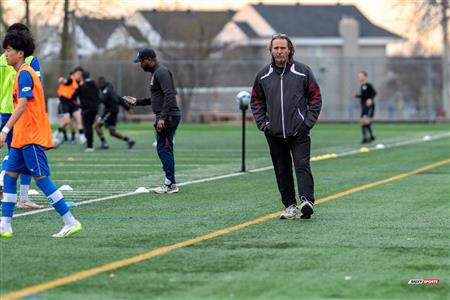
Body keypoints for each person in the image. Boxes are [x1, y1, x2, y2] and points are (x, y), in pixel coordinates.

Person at [0, 29, 82, 238]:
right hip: (20, 138)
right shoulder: (20, 72)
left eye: (9, 50)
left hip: (30, 136)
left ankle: (70, 221)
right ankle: (5, 225)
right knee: (9, 178)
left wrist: (4, 129)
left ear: (20, 53)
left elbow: (22, 106)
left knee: (41, 178)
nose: (6, 54)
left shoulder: (25, 73)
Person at [250, 33, 322, 220]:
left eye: (283, 48)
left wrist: (307, 123)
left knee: (302, 165)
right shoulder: (263, 75)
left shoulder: (303, 71)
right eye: (276, 48)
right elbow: (256, 101)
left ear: (290, 50)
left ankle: (307, 201)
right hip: (273, 133)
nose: (279, 51)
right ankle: (290, 206)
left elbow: (315, 97)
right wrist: (263, 124)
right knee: (282, 169)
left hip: (299, 131)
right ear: (271, 51)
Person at [123, 48, 181, 194]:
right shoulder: (156, 73)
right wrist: (137, 102)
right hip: (165, 115)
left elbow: (169, 94)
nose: (140, 65)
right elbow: (156, 99)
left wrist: (162, 117)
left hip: (168, 115)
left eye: (141, 62)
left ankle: (170, 183)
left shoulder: (161, 72)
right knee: (165, 148)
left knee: (163, 148)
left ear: (149, 59)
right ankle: (171, 182)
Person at [0, 23, 42, 209]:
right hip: (21, 113)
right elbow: (36, 86)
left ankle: (20, 199)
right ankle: (20, 195)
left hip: (4, 112)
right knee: (19, 154)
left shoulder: (2, 59)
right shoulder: (31, 60)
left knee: (16, 153)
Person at [95, 77, 135, 149]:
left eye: (99, 83)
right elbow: (120, 100)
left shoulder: (106, 90)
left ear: (102, 83)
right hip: (114, 111)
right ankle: (129, 140)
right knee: (112, 132)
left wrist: (94, 101)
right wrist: (128, 108)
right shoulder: (112, 91)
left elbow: (102, 99)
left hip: (110, 111)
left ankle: (104, 143)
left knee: (97, 126)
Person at [54, 67, 86, 145]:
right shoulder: (71, 80)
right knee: (66, 121)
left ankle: (82, 136)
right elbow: (65, 81)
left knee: (78, 116)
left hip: (73, 102)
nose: (79, 75)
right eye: (77, 74)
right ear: (74, 74)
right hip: (65, 102)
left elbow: (79, 93)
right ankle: (56, 134)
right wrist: (61, 80)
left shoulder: (81, 82)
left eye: (80, 74)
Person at [72, 71, 101, 152]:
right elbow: (98, 95)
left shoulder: (82, 86)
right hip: (95, 109)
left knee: (87, 127)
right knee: (90, 127)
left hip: (86, 109)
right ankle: (90, 144)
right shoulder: (95, 85)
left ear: (82, 77)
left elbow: (73, 96)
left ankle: (90, 146)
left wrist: (78, 103)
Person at [353, 71, 376, 143]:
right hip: (364, 106)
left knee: (365, 121)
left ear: (365, 77)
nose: (359, 77)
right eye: (359, 76)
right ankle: (370, 137)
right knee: (364, 121)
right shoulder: (362, 86)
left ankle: (367, 137)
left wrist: (370, 99)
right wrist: (357, 96)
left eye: (361, 76)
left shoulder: (368, 85)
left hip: (369, 106)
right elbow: (364, 96)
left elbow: (374, 93)